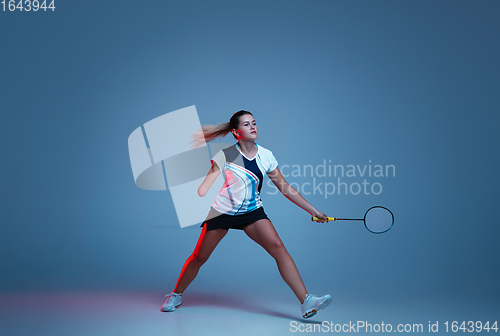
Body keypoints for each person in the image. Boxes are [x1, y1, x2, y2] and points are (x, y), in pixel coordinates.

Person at [161, 110, 331, 318]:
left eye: (254, 123)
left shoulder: (266, 155)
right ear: (236, 132)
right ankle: (176, 295)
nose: (253, 127)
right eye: (246, 124)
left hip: (252, 212)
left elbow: (285, 187)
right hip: (222, 212)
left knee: (278, 247)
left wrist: (312, 209)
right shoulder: (226, 155)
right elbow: (204, 188)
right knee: (199, 257)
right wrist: (202, 187)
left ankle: (307, 301)